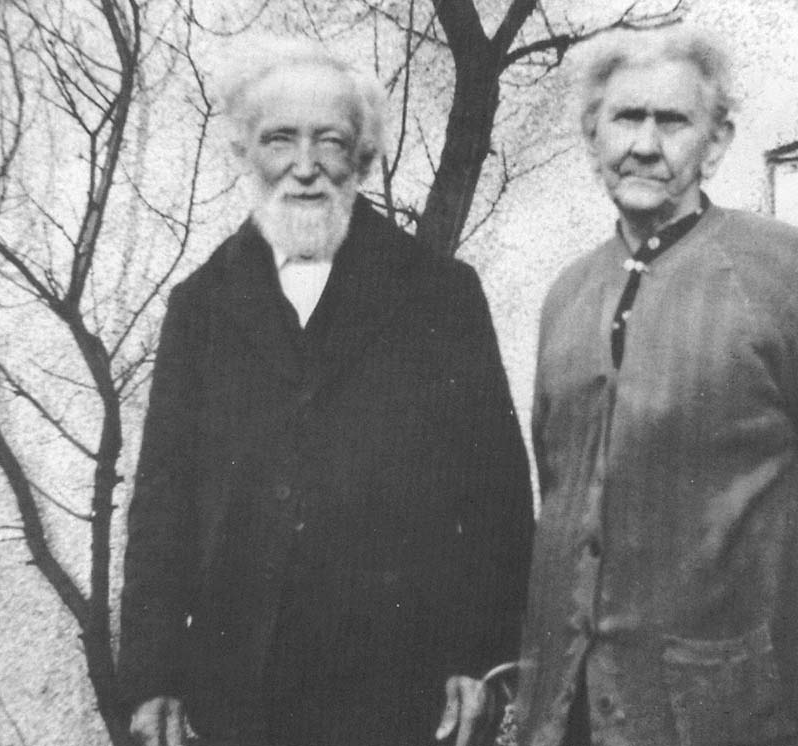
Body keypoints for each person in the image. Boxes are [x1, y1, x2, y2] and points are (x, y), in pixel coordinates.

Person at [117, 37, 534, 746]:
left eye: (330, 142)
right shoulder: (202, 306)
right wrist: (154, 673)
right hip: (236, 691)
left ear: (363, 158)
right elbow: (164, 502)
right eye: (280, 139)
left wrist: (481, 658)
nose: (305, 167)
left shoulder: (439, 295)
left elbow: (496, 496)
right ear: (245, 153)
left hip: (404, 690)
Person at [514, 24, 798, 746]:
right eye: (626, 118)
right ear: (591, 134)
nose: (645, 144)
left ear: (716, 142)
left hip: (733, 702)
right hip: (577, 705)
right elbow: (563, 494)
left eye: (673, 121)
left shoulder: (786, 268)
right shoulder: (567, 294)